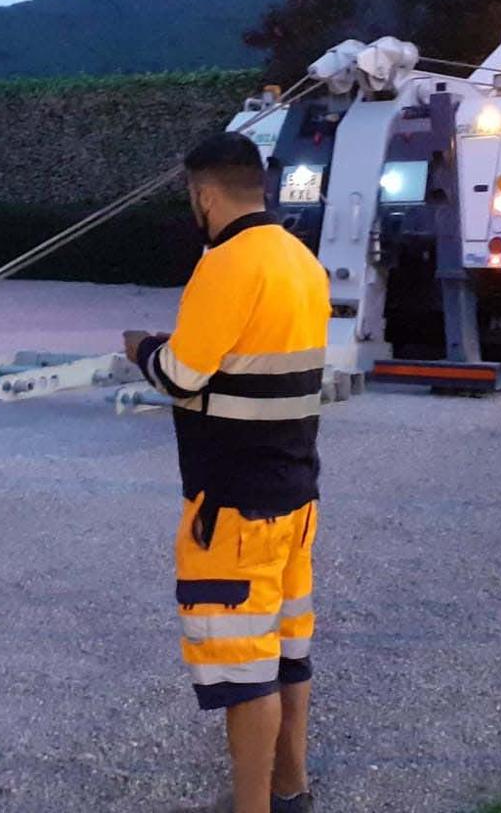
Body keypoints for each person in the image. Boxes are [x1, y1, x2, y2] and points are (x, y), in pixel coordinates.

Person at [124, 132, 329, 813]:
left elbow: (183, 373)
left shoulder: (226, 264)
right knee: (286, 652)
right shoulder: (303, 261)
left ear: (205, 194)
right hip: (295, 495)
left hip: (234, 508)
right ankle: (290, 787)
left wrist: (142, 347)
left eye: (192, 197)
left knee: (244, 672)